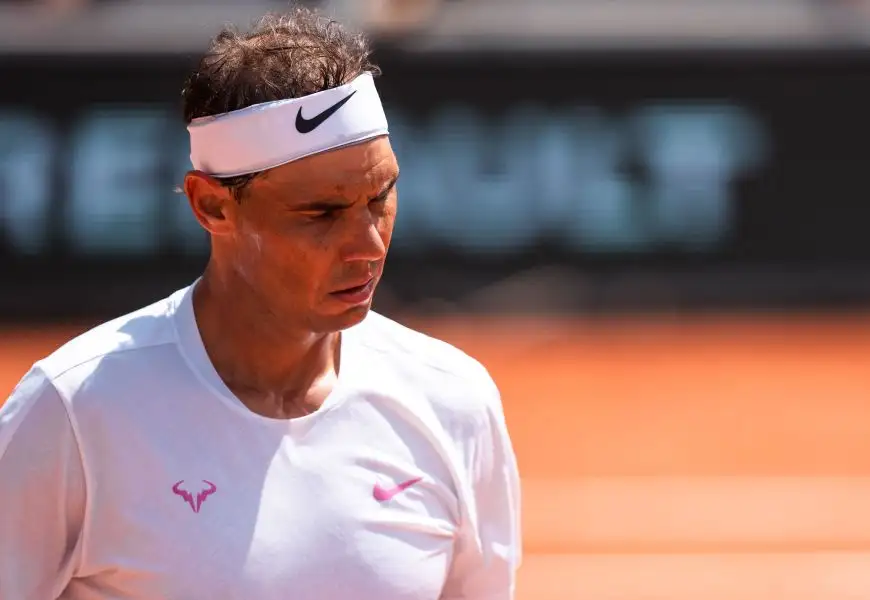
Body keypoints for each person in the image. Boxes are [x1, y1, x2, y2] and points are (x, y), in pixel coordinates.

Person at [0, 8, 521, 599]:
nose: (369, 245)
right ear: (212, 206)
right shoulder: (72, 412)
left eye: (381, 197)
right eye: (321, 213)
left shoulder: (455, 403)